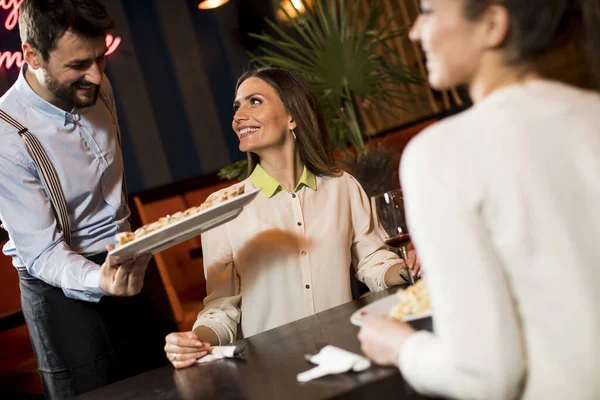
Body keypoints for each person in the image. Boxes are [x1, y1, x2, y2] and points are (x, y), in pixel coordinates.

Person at [358, 1, 600, 399]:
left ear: (491, 24)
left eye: (428, 11)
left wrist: (401, 346)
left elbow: (483, 377)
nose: (415, 32)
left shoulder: (440, 153)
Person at [163, 67, 420, 368]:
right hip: (272, 370)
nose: (238, 116)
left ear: (292, 116)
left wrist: (409, 267)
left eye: (254, 101)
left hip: (347, 354)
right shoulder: (221, 208)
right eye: (236, 107)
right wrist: (195, 341)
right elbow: (221, 309)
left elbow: (375, 263)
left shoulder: (342, 186)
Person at [0, 1, 168, 398]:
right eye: (78, 65)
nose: (95, 75)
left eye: (100, 57)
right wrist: (99, 279)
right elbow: (42, 253)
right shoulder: (7, 135)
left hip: (127, 257)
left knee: (168, 386)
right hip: (60, 292)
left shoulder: (98, 86)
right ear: (32, 56)